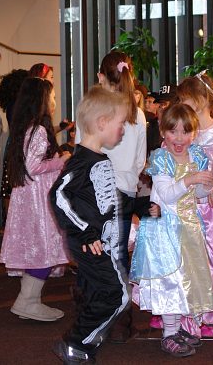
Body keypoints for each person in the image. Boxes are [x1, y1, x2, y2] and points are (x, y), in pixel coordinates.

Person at [50, 86, 131, 364]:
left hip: (101, 243)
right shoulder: (82, 161)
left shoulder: (99, 159)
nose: (123, 129)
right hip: (90, 244)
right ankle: (76, 343)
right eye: (121, 123)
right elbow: (57, 195)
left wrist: (141, 207)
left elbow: (104, 201)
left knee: (105, 293)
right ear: (102, 122)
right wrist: (84, 231)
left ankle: (80, 342)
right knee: (117, 295)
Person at [130, 103, 213, 358]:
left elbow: (199, 195)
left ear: (194, 133)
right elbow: (166, 195)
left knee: (186, 280)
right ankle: (169, 333)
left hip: (189, 228)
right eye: (173, 131)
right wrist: (191, 179)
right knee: (169, 281)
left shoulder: (197, 155)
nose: (179, 138)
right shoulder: (161, 158)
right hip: (165, 230)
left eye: (185, 132)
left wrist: (208, 186)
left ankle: (177, 329)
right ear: (162, 131)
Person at [76, 50, 148, 342]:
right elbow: (140, 161)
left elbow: (82, 152)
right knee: (118, 259)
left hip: (96, 190)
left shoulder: (94, 109)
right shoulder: (137, 113)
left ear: (101, 77)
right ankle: (120, 325)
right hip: (125, 192)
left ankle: (90, 321)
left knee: (92, 255)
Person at [0, 77, 70, 322]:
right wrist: (61, 161)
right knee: (44, 248)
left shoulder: (27, 128)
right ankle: (27, 301)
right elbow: (33, 166)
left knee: (39, 248)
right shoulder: (38, 130)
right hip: (38, 198)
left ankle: (29, 300)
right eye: (52, 97)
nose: (54, 102)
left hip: (31, 196)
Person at [176, 72, 213, 338]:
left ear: (203, 99)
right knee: (191, 263)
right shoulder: (188, 133)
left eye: (186, 99)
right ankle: (191, 312)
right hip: (189, 207)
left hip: (212, 211)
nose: (182, 104)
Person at [0, 68, 29, 225]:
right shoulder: (17, 106)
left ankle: (10, 225)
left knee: (9, 187)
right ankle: (12, 225)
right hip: (17, 148)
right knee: (12, 187)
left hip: (14, 147)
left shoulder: (13, 105)